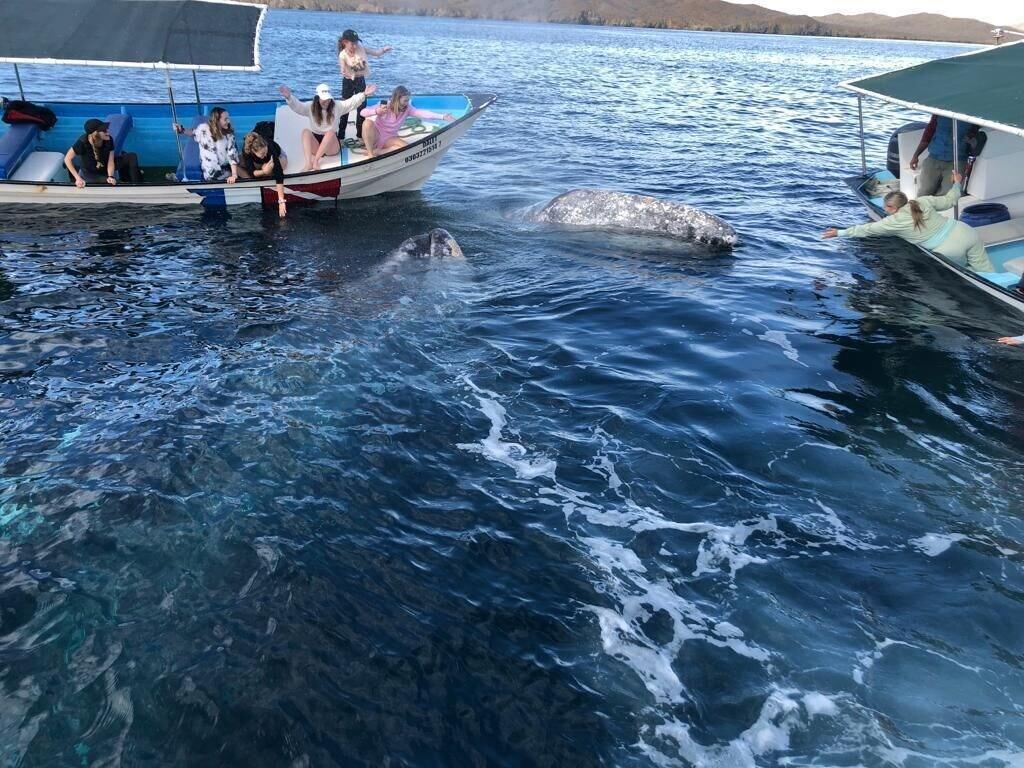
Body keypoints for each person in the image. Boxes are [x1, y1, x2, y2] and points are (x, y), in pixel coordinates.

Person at [822, 171, 993, 272]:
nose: (886, 210)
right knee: (986, 271)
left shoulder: (893, 222)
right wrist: (957, 183)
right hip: (965, 231)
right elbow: (950, 200)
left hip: (948, 249)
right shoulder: (922, 201)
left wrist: (840, 232)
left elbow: (866, 229)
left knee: (971, 275)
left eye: (886, 207)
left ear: (892, 208)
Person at [279, 82, 377, 172]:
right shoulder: (311, 106)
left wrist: (364, 94)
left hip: (331, 146)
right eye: (324, 99)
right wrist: (289, 97)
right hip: (316, 143)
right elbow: (298, 107)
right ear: (317, 97)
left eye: (328, 99)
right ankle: (308, 163)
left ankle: (316, 161)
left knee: (330, 133)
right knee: (305, 132)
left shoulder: (337, 106)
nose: (326, 101)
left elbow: (351, 102)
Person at [359, 86, 455, 159]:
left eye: (408, 100)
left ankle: (379, 152)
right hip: (376, 135)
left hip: (389, 138)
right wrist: (376, 111)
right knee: (367, 123)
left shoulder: (407, 109)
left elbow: (422, 113)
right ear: (397, 99)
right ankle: (371, 154)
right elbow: (362, 112)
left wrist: (442, 117)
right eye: (405, 100)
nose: (407, 103)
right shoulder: (384, 105)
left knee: (406, 148)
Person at [337, 29, 392, 143]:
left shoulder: (360, 48)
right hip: (348, 82)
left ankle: (360, 135)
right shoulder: (342, 55)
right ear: (345, 42)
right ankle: (341, 137)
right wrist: (344, 72)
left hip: (360, 80)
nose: (355, 46)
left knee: (362, 109)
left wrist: (383, 50)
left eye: (356, 42)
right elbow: (342, 68)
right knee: (345, 108)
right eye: (352, 43)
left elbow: (375, 53)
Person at [909, 115, 981, 196]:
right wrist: (916, 155)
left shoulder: (972, 116)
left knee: (948, 195)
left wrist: (971, 139)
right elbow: (928, 135)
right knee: (924, 192)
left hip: (957, 161)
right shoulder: (939, 113)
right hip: (934, 157)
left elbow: (977, 138)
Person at [64, 118, 142, 187]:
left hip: (105, 166)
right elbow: (67, 159)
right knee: (115, 184)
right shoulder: (82, 142)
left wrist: (110, 176)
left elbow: (111, 161)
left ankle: (137, 184)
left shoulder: (108, 139)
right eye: (104, 130)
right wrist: (77, 178)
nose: (107, 132)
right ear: (95, 133)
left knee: (132, 156)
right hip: (92, 174)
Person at [173, 107, 239, 183]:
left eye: (228, 118)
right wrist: (181, 129)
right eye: (225, 119)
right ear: (217, 121)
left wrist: (234, 175)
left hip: (224, 172)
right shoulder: (203, 129)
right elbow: (193, 133)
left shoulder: (229, 136)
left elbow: (232, 156)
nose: (228, 121)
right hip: (208, 172)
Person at [238, 131, 289, 218]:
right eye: (262, 153)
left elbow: (279, 174)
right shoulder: (247, 150)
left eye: (265, 151)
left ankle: (265, 169)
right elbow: (251, 172)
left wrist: (281, 201)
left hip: (278, 157)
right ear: (253, 151)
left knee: (272, 168)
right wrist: (263, 172)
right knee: (240, 166)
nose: (265, 155)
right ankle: (264, 170)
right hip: (257, 163)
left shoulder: (270, 148)